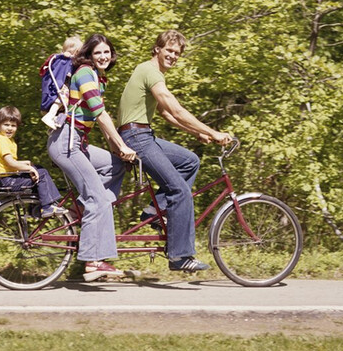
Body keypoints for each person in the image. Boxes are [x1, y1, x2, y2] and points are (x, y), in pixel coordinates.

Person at [117, 29, 233, 272]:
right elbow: (175, 108)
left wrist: (197, 133)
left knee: (189, 161)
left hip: (143, 134)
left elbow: (164, 113)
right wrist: (213, 132)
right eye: (169, 50)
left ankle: (153, 211)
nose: (173, 56)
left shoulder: (152, 72)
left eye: (177, 53)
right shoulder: (149, 71)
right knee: (180, 191)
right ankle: (180, 256)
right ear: (157, 49)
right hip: (136, 136)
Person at [47, 34, 138, 282]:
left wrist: (119, 151)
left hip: (78, 143)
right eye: (98, 52)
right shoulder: (85, 73)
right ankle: (94, 261)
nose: (103, 56)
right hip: (66, 143)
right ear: (89, 54)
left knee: (116, 165)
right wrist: (122, 144)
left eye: (107, 52)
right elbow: (100, 115)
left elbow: (101, 123)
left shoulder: (98, 78)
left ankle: (89, 214)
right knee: (99, 198)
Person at [0, 106, 68, 218]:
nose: (10, 128)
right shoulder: (2, 140)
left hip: (8, 178)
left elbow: (8, 162)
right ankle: (47, 207)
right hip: (8, 181)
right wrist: (29, 168)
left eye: (13, 126)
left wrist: (26, 163)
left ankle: (36, 208)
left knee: (39, 168)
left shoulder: (7, 140)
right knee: (41, 174)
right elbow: (10, 163)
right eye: (6, 125)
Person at [40, 35, 83, 130]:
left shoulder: (60, 59)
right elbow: (65, 73)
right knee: (63, 97)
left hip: (60, 88)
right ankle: (50, 115)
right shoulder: (64, 60)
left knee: (66, 103)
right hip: (60, 88)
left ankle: (54, 120)